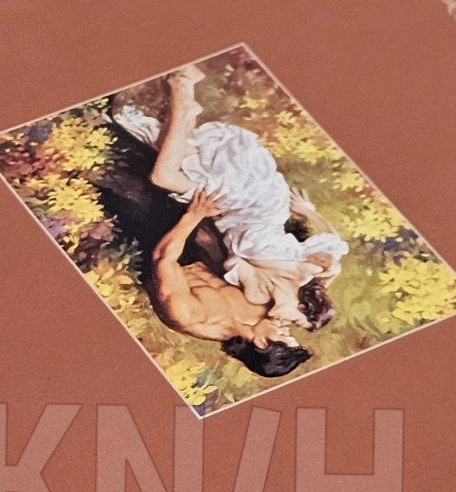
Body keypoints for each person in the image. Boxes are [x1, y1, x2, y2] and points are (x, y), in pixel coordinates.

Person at [113, 64, 347, 332]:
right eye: (295, 320)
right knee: (164, 176)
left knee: (174, 150)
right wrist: (307, 211)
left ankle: (185, 102)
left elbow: (231, 261)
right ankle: (182, 90)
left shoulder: (257, 295)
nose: (285, 323)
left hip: (230, 212)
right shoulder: (313, 271)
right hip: (257, 203)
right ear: (303, 306)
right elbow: (335, 241)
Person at [146, 189, 311, 378]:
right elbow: (231, 274)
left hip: (153, 244)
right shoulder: (264, 312)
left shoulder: (192, 317)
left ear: (261, 343)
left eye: (283, 335)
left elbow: (161, 259)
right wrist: (212, 245)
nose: (285, 328)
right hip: (191, 242)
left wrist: (195, 215)